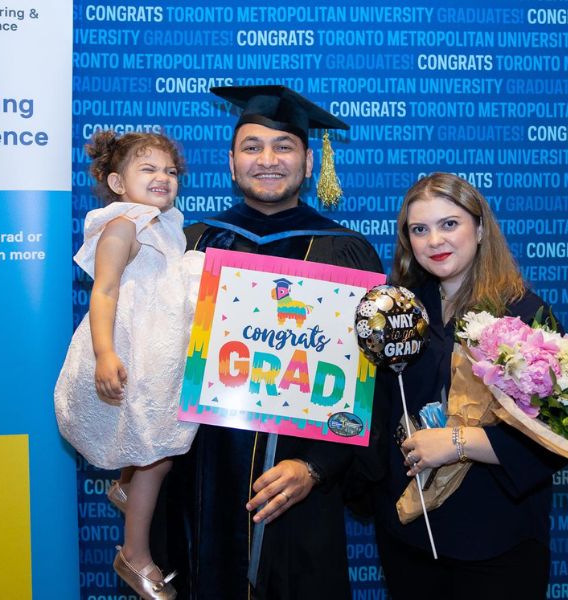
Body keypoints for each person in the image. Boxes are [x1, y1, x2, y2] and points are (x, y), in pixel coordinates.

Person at [168, 85, 384, 600]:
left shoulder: (347, 254)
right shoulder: (191, 244)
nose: (268, 159)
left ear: (309, 162)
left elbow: (372, 387)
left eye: (284, 146)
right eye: (252, 146)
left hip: (301, 487)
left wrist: (316, 467)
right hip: (201, 478)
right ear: (231, 161)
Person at [371, 173, 567, 599]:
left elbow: (557, 437)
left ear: (479, 228)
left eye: (449, 224)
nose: (434, 240)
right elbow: (377, 412)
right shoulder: (398, 311)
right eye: (419, 229)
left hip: (498, 540)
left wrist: (459, 442)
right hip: (411, 536)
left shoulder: (525, 315)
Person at [54, 130, 203, 600]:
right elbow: (105, 290)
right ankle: (134, 555)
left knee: (150, 442)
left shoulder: (166, 225)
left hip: (158, 354)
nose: (163, 178)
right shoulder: (122, 225)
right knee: (156, 455)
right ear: (118, 182)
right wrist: (104, 353)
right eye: (149, 169)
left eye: (170, 171)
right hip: (130, 351)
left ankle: (124, 487)